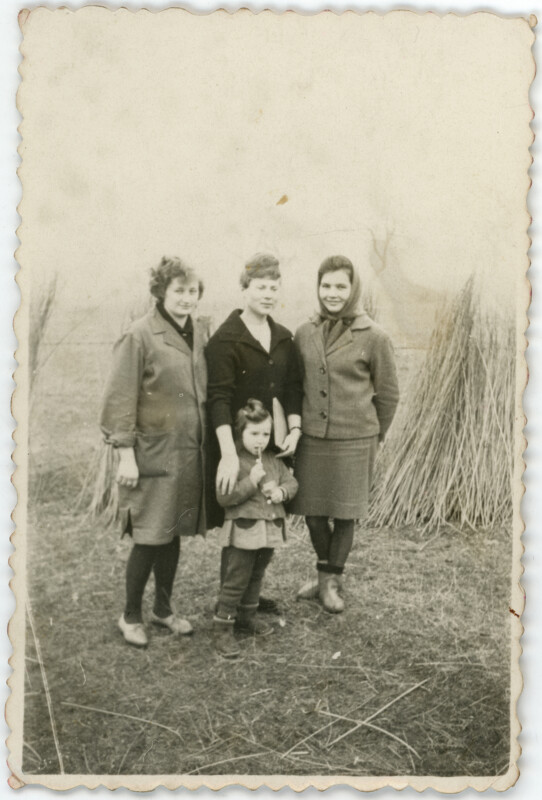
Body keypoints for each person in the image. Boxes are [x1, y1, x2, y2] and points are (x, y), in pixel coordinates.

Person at [100, 257, 208, 647]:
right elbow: (119, 400)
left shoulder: (199, 331)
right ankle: (130, 615)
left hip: (186, 454)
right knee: (149, 535)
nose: (186, 298)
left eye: (192, 291)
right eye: (178, 290)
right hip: (152, 455)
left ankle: (163, 610)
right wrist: (126, 456)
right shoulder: (139, 335)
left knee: (172, 530)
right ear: (161, 292)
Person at [290, 255, 399, 613]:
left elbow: (388, 394)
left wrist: (373, 435)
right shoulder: (304, 332)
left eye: (340, 286)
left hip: (355, 440)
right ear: (317, 287)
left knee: (344, 514)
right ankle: (327, 575)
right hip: (313, 438)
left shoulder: (375, 336)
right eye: (326, 285)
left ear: (353, 289)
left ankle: (329, 581)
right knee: (313, 514)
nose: (332, 293)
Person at [205, 253, 303, 613]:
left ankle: (249, 596)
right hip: (238, 447)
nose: (268, 294)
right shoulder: (226, 340)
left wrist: (294, 428)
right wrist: (229, 454)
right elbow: (218, 398)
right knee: (241, 523)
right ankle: (229, 602)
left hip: (271, 445)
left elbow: (293, 387)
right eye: (260, 287)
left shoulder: (283, 337)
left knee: (267, 519)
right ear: (244, 289)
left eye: (274, 288)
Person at [213, 399, 298, 658]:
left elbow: (292, 482)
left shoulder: (273, 460)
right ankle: (223, 626)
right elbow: (224, 497)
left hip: (268, 531)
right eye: (254, 434)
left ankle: (247, 616)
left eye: (265, 434)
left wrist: (281, 492)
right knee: (237, 577)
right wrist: (250, 482)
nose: (260, 440)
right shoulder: (233, 462)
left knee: (256, 574)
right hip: (244, 531)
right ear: (240, 433)